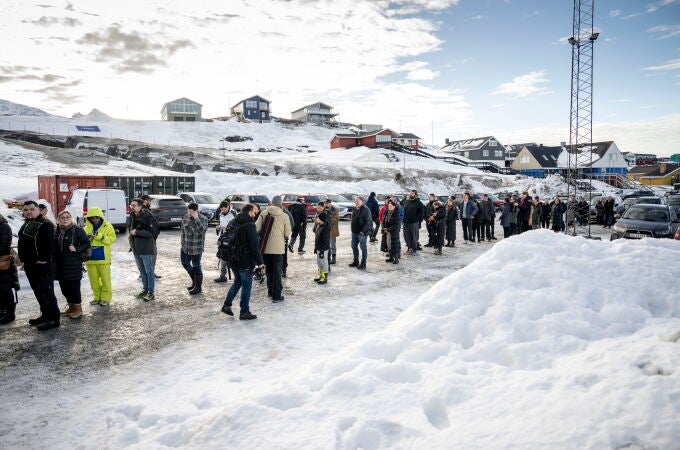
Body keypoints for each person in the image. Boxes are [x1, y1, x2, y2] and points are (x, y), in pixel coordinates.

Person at [18, 200, 60, 331]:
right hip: (30, 265)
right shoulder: (27, 223)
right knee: (38, 291)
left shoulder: (45, 224)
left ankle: (54, 318)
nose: (29, 212)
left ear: (38, 210)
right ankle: (45, 315)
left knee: (47, 292)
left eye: (32, 209)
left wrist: (45, 258)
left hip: (42, 265)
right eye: (26, 210)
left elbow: (50, 244)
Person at [221, 204, 264, 320]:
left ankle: (227, 304)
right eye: (254, 213)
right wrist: (260, 263)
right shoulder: (250, 225)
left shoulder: (233, 221)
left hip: (233, 259)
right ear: (250, 212)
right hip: (245, 260)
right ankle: (244, 312)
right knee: (246, 285)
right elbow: (254, 247)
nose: (255, 215)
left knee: (237, 282)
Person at [54, 210, 90, 319]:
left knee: (74, 288)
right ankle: (71, 307)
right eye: (62, 217)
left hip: (73, 264)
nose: (65, 219)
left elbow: (87, 243)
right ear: (58, 219)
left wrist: (76, 248)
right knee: (64, 288)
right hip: (60, 265)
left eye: (67, 217)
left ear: (71, 218)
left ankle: (78, 309)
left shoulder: (77, 230)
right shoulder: (57, 231)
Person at [256, 196, 291, 303]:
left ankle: (270, 292)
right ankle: (276, 296)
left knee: (269, 271)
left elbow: (256, 228)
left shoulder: (264, 213)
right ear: (281, 204)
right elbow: (287, 232)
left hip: (265, 247)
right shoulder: (284, 215)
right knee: (277, 272)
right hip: (278, 249)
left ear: (271, 203)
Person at [83, 207, 117, 306]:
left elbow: (112, 239)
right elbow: (82, 242)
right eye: (92, 218)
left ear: (100, 217)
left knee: (105, 280)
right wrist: (88, 238)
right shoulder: (85, 228)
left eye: (96, 218)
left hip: (104, 259)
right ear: (89, 218)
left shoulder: (108, 226)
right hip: (90, 259)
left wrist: (100, 237)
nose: (94, 220)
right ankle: (97, 297)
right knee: (93, 281)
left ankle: (105, 298)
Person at [129, 198, 158, 301]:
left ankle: (151, 292)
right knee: (142, 272)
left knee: (149, 271)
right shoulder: (132, 216)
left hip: (146, 248)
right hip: (136, 248)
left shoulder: (147, 216)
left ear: (140, 206)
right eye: (131, 205)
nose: (132, 207)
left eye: (134, 205)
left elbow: (151, 233)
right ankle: (145, 289)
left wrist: (137, 232)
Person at [181, 202, 209, 295]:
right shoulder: (186, 217)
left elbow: (202, 231)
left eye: (191, 211)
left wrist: (196, 218)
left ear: (196, 211)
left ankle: (198, 287)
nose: (189, 213)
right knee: (185, 263)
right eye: (188, 211)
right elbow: (183, 231)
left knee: (196, 266)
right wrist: (182, 242)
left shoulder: (203, 219)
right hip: (186, 246)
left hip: (196, 247)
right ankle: (194, 282)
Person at [0, 213, 19, 324]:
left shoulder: (4, 226)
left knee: (5, 289)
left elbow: (4, 246)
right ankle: (2, 312)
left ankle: (10, 313)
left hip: (3, 264)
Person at [215, 200, 237, 283]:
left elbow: (235, 227)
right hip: (223, 237)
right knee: (222, 256)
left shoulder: (233, 214)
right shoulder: (220, 213)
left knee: (231, 258)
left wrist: (225, 228)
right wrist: (218, 228)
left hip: (231, 239)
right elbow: (221, 223)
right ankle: (223, 276)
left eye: (224, 209)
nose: (222, 211)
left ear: (228, 207)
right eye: (221, 209)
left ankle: (237, 276)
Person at [139, 194, 161, 279]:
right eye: (149, 200)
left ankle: (147, 273)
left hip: (151, 238)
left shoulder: (146, 210)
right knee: (151, 255)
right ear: (145, 201)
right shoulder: (143, 211)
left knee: (150, 256)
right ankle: (148, 274)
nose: (150, 202)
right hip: (148, 239)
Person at [349, 195, 372, 270]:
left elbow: (368, 222)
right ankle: (356, 261)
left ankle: (363, 264)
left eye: (357, 201)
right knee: (354, 247)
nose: (356, 202)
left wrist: (362, 232)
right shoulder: (355, 209)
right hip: (354, 232)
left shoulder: (366, 210)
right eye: (355, 201)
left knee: (363, 248)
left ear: (362, 201)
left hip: (361, 233)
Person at [402, 190, 425, 255]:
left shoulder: (419, 203)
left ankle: (414, 249)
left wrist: (419, 222)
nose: (411, 194)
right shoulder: (407, 202)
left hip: (414, 223)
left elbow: (422, 213)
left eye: (412, 193)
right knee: (406, 237)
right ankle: (409, 248)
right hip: (406, 222)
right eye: (410, 193)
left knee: (414, 237)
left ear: (415, 195)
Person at [313, 202, 331, 284]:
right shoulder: (320, 226)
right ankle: (320, 275)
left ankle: (324, 277)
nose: (316, 219)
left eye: (318, 218)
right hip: (319, 248)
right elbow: (317, 238)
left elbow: (325, 241)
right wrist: (316, 248)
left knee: (323, 262)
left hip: (323, 249)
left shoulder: (325, 228)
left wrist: (322, 251)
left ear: (321, 220)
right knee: (319, 262)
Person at [382, 199, 402, 264]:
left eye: (391, 206)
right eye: (388, 206)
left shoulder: (396, 214)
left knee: (395, 245)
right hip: (387, 232)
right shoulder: (386, 212)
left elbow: (396, 225)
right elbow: (383, 221)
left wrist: (388, 229)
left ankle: (396, 258)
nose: (389, 207)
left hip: (394, 232)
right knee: (388, 244)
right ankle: (391, 257)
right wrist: (383, 228)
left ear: (394, 207)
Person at [324, 198, 340, 265]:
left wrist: (328, 218)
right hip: (326, 230)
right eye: (326, 203)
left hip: (332, 230)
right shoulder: (324, 209)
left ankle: (334, 258)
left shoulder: (335, 209)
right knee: (327, 245)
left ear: (330, 203)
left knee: (332, 244)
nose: (326, 204)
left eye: (327, 203)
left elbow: (336, 220)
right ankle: (328, 257)